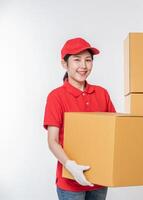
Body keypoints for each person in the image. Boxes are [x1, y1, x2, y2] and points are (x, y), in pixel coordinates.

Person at [43, 37, 116, 200]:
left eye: (88, 60)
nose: (83, 66)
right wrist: (70, 166)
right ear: (64, 64)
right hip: (70, 182)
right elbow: (52, 141)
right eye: (77, 60)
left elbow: (114, 131)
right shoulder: (56, 97)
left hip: (99, 179)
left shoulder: (101, 93)